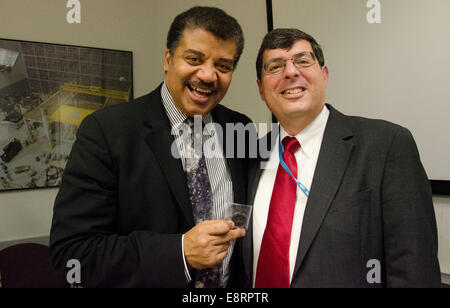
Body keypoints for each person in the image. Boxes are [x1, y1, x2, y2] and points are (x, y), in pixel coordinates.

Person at [50, 6, 250, 288]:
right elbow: (73, 254)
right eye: (194, 58)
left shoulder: (240, 128)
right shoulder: (107, 131)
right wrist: (179, 252)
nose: (208, 75)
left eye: (223, 66)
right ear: (168, 59)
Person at [242, 28, 441, 287]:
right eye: (275, 67)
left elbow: (414, 269)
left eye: (302, 61)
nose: (290, 72)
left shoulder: (386, 145)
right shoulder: (250, 157)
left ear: (324, 75)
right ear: (261, 87)